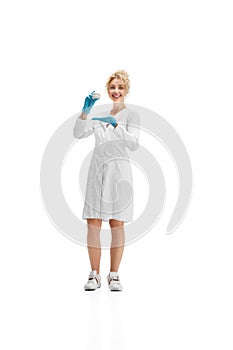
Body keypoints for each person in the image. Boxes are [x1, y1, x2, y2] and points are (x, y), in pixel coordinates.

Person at [73, 70, 140, 291]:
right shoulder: (98, 115)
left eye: (120, 87)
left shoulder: (131, 116)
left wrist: (116, 125)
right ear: (108, 90)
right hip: (97, 172)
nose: (116, 91)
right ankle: (94, 274)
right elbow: (78, 134)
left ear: (126, 90)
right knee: (93, 222)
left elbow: (133, 145)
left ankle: (114, 275)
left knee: (116, 222)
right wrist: (85, 112)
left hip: (119, 172)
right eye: (113, 87)